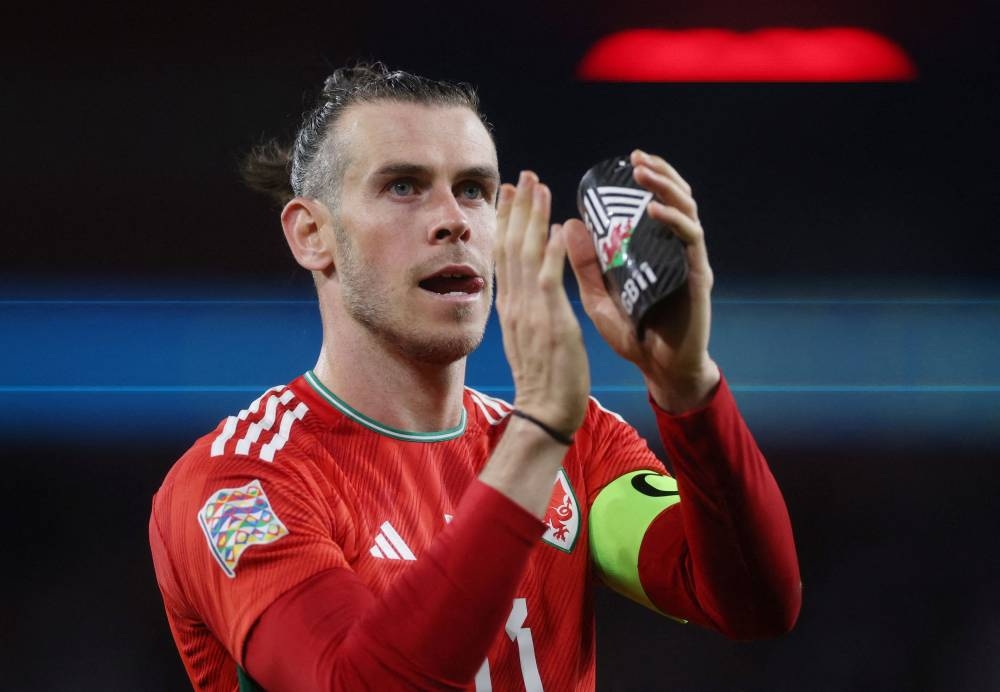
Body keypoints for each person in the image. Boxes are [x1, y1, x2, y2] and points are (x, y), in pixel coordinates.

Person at [149, 63, 801, 692]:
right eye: (403, 186)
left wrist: (687, 387)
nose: (453, 219)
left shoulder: (578, 446)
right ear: (312, 233)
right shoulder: (238, 483)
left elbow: (753, 603)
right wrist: (537, 434)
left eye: (473, 189)